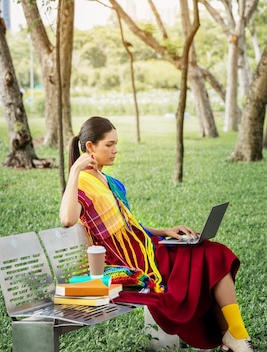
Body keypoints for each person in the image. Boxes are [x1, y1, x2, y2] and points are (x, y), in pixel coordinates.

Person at [59, 116, 254, 352]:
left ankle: (234, 334)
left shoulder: (112, 182)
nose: (115, 150)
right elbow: (68, 219)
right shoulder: (81, 184)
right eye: (109, 144)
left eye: (116, 143)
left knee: (213, 252)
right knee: (211, 255)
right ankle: (234, 337)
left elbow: (128, 226)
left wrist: (165, 232)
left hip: (147, 247)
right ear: (90, 147)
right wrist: (75, 172)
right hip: (130, 261)